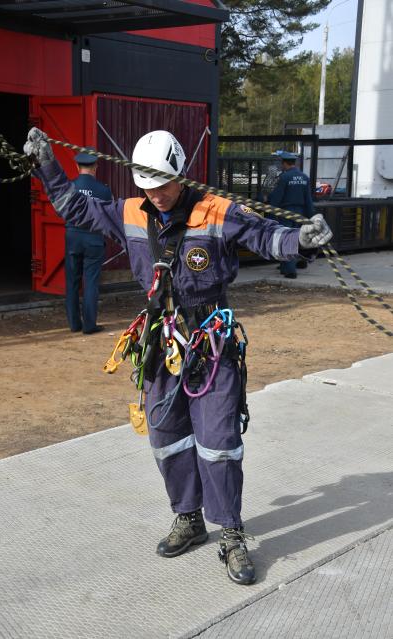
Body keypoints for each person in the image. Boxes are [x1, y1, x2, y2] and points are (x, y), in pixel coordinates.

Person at [24, 128, 332, 585]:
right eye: (147, 185)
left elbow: (265, 236)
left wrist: (301, 240)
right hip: (160, 343)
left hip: (210, 346)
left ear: (181, 175)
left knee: (218, 441)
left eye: (164, 184)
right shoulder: (129, 211)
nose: (156, 194)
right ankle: (188, 517)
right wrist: (46, 163)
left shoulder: (216, 210)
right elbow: (75, 208)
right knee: (167, 435)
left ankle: (229, 532)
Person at [65, 149, 113, 334]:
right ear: (95, 167)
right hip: (94, 238)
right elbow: (108, 215)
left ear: (77, 167)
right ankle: (89, 325)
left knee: (72, 281)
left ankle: (74, 324)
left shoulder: (69, 187)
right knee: (91, 282)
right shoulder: (104, 190)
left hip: (73, 237)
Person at [268, 150, 315, 279]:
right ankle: (288, 264)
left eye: (281, 163)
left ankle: (290, 270)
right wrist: (311, 216)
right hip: (301, 213)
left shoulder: (284, 177)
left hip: (286, 213)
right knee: (298, 239)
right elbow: (308, 199)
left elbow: (277, 197)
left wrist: (271, 215)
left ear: (284, 163)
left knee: (286, 240)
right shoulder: (304, 177)